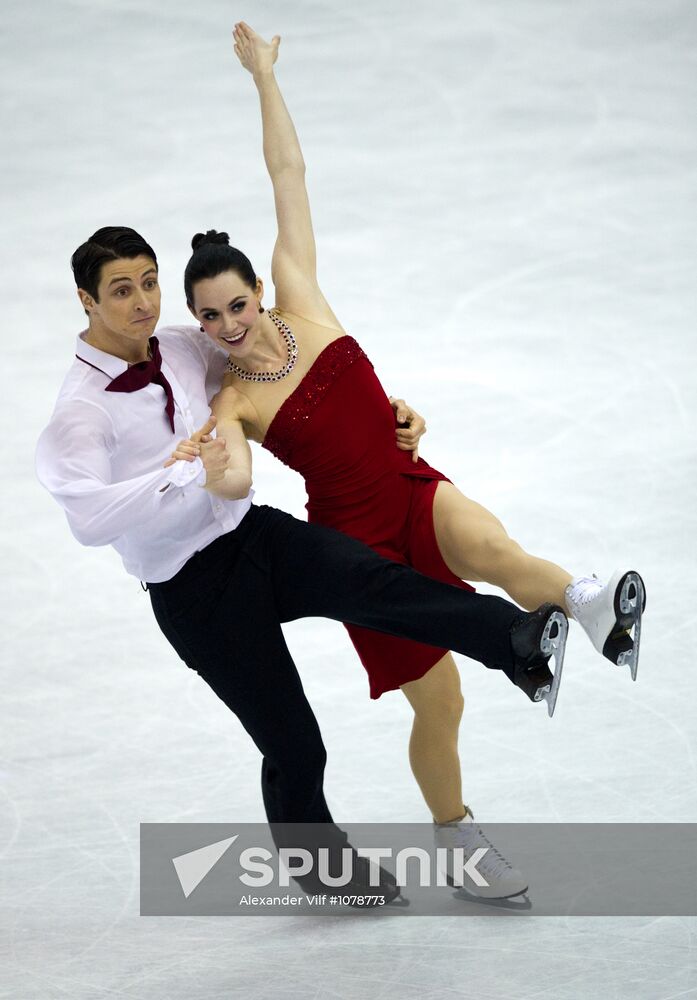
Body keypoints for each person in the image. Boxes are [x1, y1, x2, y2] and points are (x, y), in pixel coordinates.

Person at [175, 22, 646, 883]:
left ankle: (595, 613)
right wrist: (214, 467)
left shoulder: (303, 298)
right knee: (444, 704)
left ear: (255, 290)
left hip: (408, 481)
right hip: (356, 547)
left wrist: (265, 80)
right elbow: (234, 471)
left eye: (236, 304)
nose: (229, 325)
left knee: (497, 550)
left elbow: (289, 176)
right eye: (209, 317)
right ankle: (458, 841)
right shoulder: (232, 399)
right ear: (199, 324)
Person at [36, 226, 571, 905]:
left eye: (148, 282)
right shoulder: (80, 413)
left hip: (252, 537)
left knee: (369, 575)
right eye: (121, 291)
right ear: (85, 300)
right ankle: (321, 871)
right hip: (192, 590)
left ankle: (515, 641)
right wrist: (175, 478)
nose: (142, 302)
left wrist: (386, 412)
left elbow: (267, 354)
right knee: (295, 745)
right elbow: (87, 517)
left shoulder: (179, 345)